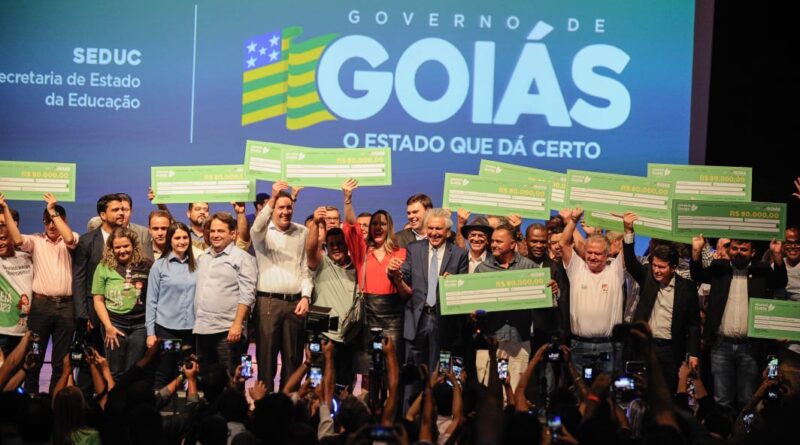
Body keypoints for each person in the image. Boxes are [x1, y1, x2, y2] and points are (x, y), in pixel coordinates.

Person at [690, 234, 786, 410]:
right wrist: (696, 252)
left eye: (744, 249)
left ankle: (747, 435)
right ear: (729, 249)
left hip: (750, 347)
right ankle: (723, 436)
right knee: (721, 400)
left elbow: (780, 281)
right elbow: (697, 274)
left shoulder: (761, 270)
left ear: (753, 252)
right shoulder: (719, 268)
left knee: (748, 401)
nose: (738, 253)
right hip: (721, 346)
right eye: (734, 248)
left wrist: (778, 255)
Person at [1, 193, 77, 392]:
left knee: (61, 361)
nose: (51, 226)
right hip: (41, 307)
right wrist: (5, 209)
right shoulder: (36, 240)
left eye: (54, 221)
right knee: (34, 357)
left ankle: (54, 401)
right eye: (47, 221)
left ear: (63, 220)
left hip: (67, 307)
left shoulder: (71, 239)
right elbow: (17, 239)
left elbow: (68, 236)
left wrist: (53, 210)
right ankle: (31, 400)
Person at [622, 212, 700, 394]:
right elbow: (631, 262)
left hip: (671, 350)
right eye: (654, 265)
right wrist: (628, 230)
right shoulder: (648, 277)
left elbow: (694, 325)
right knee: (643, 392)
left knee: (669, 393)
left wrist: (694, 353)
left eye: (661, 267)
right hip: (646, 347)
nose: (656, 270)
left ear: (673, 268)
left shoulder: (687, 288)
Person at [250, 181, 311, 388]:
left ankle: (290, 403)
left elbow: (304, 268)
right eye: (280, 207)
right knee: (266, 359)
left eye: (288, 207)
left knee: (293, 359)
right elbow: (258, 225)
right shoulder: (261, 233)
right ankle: (264, 406)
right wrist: (273, 197)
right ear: (273, 208)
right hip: (268, 303)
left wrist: (305, 296)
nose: (285, 212)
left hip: (295, 304)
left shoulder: (302, 231)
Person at [342, 178, 408, 363]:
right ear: (370, 228)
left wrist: (397, 276)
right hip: (367, 314)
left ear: (389, 227)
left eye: (383, 224)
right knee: (367, 366)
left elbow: (406, 293)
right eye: (374, 224)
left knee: (392, 366)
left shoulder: (401, 253)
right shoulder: (361, 250)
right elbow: (351, 226)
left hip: (393, 316)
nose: (378, 228)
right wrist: (347, 199)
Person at [559, 207, 625, 374]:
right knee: (580, 393)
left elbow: (627, 248)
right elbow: (563, 243)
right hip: (579, 346)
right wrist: (572, 221)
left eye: (598, 253)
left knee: (607, 395)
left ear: (607, 254)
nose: (593, 257)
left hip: (608, 346)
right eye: (589, 253)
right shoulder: (577, 268)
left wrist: (627, 227)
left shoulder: (615, 271)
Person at [474, 224, 537, 390]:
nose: (493, 244)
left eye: (499, 241)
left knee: (515, 391)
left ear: (512, 244)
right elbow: (475, 304)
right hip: (492, 340)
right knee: (491, 392)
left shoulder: (530, 267)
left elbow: (542, 303)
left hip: (519, 340)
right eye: (493, 241)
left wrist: (552, 291)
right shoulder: (482, 269)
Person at [194, 212, 257, 374]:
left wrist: (237, 325)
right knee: (206, 381)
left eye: (220, 231)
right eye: (213, 231)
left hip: (227, 332)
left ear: (233, 234)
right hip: (202, 330)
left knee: (231, 381)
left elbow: (247, 294)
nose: (215, 235)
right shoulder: (203, 258)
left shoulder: (243, 258)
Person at [91, 227, 153, 380]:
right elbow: (98, 300)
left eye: (126, 246)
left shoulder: (147, 265)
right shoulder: (103, 267)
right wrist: (108, 327)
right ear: (111, 249)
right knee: (115, 372)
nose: (122, 250)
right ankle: (114, 403)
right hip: (114, 325)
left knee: (133, 372)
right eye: (117, 247)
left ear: (134, 245)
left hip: (140, 327)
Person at [306, 206, 358, 386]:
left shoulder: (357, 268)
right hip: (322, 335)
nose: (336, 247)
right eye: (332, 244)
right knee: (316, 384)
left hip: (347, 338)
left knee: (343, 387)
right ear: (326, 247)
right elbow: (311, 249)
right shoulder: (321, 263)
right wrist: (315, 223)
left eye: (340, 243)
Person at [146, 222, 197, 389]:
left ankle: (184, 412)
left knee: (187, 373)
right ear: (170, 240)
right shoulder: (159, 266)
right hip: (167, 330)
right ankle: (158, 411)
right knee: (164, 370)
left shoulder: (198, 265)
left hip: (190, 331)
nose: (181, 241)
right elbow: (151, 301)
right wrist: (150, 333)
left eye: (184, 237)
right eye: (177, 238)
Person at [0, 230, 33, 357]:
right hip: (3, 331)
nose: (0, 243)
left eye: (3, 238)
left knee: (23, 372)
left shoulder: (27, 258)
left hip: (27, 330)